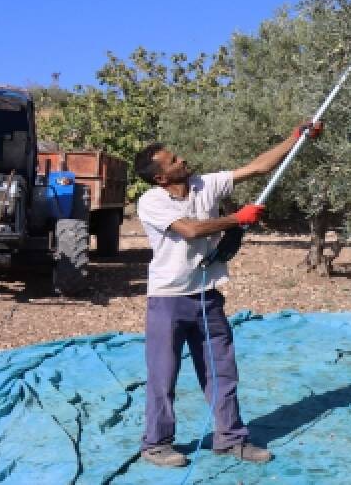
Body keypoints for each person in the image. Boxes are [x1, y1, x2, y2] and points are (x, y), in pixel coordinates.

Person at [132, 120, 323, 468]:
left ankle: (230, 439)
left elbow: (259, 167)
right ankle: (156, 444)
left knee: (222, 370)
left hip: (207, 296)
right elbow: (189, 230)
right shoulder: (152, 201)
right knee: (163, 374)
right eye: (173, 160)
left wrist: (295, 138)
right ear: (160, 177)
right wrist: (237, 218)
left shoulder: (205, 184)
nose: (182, 160)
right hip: (168, 300)